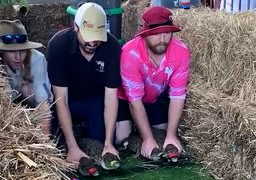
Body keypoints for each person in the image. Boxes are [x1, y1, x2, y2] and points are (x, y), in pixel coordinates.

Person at [47, 3, 121, 167]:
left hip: (94, 100)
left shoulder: (113, 47)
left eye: (98, 36)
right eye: (88, 35)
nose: (93, 42)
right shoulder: (58, 45)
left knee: (103, 141)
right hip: (67, 99)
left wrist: (109, 143)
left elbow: (111, 98)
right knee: (54, 143)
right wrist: (72, 147)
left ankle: (86, 135)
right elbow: (61, 100)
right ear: (76, 26)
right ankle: (73, 139)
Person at [116, 6, 190, 160]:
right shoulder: (130, 53)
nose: (162, 39)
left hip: (154, 99)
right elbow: (134, 101)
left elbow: (177, 96)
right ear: (144, 34)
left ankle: (146, 132)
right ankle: (135, 136)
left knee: (163, 138)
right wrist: (148, 138)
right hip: (127, 100)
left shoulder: (182, 52)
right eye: (156, 34)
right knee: (120, 137)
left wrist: (171, 134)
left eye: (167, 33)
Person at [0, 20, 53, 134]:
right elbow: (0, 108)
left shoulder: (37, 59)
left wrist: (45, 139)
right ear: (1, 50)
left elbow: (43, 105)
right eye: (12, 51)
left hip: (34, 107)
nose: (18, 57)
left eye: (22, 50)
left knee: (29, 90)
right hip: (11, 109)